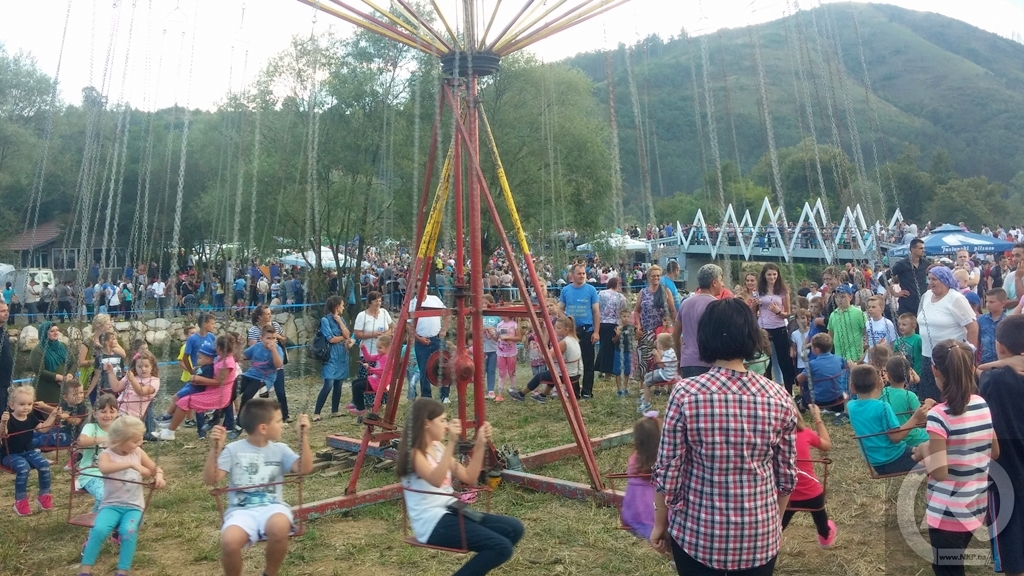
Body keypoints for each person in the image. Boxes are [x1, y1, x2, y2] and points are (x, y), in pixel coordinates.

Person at [651, 298, 798, 575]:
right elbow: (786, 477)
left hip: (698, 535)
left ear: (704, 336)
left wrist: (660, 523)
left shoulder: (685, 394)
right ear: (751, 335)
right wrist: (773, 526)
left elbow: (668, 471)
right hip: (760, 536)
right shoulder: (779, 397)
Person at [396, 398, 523, 575]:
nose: (446, 426)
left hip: (452, 511)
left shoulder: (438, 448)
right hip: (431, 523)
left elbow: (469, 477)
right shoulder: (414, 454)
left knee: (513, 529)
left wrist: (480, 443)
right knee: (501, 547)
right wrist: (451, 444)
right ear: (426, 424)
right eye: (442, 420)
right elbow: (435, 480)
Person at [912, 340, 997, 576]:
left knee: (947, 569)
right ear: (971, 368)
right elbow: (994, 451)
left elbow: (940, 472)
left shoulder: (938, 416)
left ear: (935, 370)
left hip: (947, 513)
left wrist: (924, 450)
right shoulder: (981, 404)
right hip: (976, 505)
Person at [204, 400, 312, 576]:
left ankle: (269, 573)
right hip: (240, 511)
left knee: (279, 526)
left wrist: (303, 436)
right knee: (229, 542)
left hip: (273, 507)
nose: (282, 425)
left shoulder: (281, 450)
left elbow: (304, 468)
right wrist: (215, 449)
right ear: (263, 428)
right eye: (279, 421)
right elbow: (211, 479)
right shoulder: (233, 450)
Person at [78, 415, 165, 576]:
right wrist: (132, 464)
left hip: (133, 507)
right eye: (135, 440)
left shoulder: (138, 452)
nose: (140, 443)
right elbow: (104, 468)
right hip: (111, 505)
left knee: (128, 531)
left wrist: (159, 477)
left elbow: (155, 469)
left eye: (140, 439)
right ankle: (85, 571)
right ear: (119, 441)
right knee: (99, 530)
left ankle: (122, 571)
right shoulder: (106, 455)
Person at [977, 314, 1024, 576]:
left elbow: (978, 371)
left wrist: (1004, 363)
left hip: (1005, 471)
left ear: (1000, 347)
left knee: (1010, 540)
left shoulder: (995, 380)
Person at [847, 365, 931, 475]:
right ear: (879, 383)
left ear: (852, 387)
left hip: (876, 460)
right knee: (934, 458)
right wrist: (915, 418)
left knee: (920, 449)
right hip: (892, 459)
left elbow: (868, 404)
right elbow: (896, 437)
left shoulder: (851, 406)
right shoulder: (883, 407)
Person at [159, 335, 239, 441]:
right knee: (181, 399)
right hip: (212, 390)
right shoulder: (221, 357)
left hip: (219, 395)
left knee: (184, 402)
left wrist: (198, 378)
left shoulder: (227, 363)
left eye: (215, 346)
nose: (214, 348)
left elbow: (219, 382)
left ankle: (170, 432)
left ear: (219, 348)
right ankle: (170, 425)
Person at [917, 266, 979, 402]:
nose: (931, 282)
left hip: (950, 357)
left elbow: (973, 327)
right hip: (927, 356)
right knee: (929, 398)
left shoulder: (956, 298)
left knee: (949, 396)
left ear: (945, 280)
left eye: (934, 279)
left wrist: (969, 354)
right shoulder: (926, 296)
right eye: (929, 279)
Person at [783, 403, 837, 548]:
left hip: (785, 494)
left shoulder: (772, 436)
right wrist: (817, 418)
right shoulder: (805, 433)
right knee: (823, 525)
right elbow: (827, 445)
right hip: (812, 494)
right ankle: (825, 537)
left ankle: (772, 540)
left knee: (778, 525)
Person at [1, 384, 59, 515]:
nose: (26, 407)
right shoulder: (9, 418)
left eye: (29, 404)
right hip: (10, 454)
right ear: (12, 405)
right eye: (22, 404)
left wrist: (53, 415)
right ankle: (20, 501)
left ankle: (44, 496)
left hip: (28, 451)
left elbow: (42, 429)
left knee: (44, 465)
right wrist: (3, 422)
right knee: (23, 468)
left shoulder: (31, 417)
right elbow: (2, 434)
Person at [508, 316, 581, 402]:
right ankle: (542, 395)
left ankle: (521, 394)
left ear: (566, 330)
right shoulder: (574, 339)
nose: (555, 330)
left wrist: (541, 354)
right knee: (552, 374)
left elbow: (547, 358)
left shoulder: (564, 342)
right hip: (575, 373)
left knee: (539, 377)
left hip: (566, 374)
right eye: (555, 328)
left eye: (558, 328)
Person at [673, 264, 724, 380]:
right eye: (721, 280)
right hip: (709, 363)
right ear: (714, 282)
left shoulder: (685, 303)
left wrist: (679, 357)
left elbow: (675, 334)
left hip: (687, 362)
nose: (723, 284)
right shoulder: (716, 306)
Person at [753, 263, 797, 394]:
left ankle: (788, 391)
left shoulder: (783, 291)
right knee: (766, 360)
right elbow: (753, 313)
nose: (772, 277)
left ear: (778, 275)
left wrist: (778, 311)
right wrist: (754, 305)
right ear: (764, 276)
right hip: (763, 328)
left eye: (774, 274)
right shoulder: (759, 291)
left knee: (784, 360)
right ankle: (766, 390)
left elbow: (788, 313)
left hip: (779, 327)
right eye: (769, 275)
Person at [632, 265, 675, 397]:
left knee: (661, 358)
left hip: (661, 331)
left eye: (658, 276)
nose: (656, 278)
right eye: (653, 276)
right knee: (644, 358)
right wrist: (638, 326)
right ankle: (643, 385)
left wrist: (671, 326)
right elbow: (636, 311)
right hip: (646, 330)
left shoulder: (665, 291)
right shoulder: (643, 292)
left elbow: (673, 310)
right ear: (648, 277)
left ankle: (661, 385)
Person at [560, 263, 601, 399]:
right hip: (572, 332)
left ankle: (587, 391)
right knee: (572, 362)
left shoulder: (591, 290)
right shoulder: (565, 290)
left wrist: (596, 332)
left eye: (584, 273)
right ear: (572, 275)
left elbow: (596, 312)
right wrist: (566, 320)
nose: (582, 276)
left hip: (587, 330)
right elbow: (560, 308)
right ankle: (575, 391)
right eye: (579, 273)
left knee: (588, 362)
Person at [246, 305, 289, 420]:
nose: (270, 315)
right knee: (262, 393)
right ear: (260, 317)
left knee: (280, 391)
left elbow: (284, 339)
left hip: (276, 364)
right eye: (267, 314)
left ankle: (285, 415)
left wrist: (277, 336)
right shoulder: (254, 330)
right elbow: (252, 348)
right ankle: (263, 416)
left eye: (270, 313)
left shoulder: (276, 325)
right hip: (262, 368)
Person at [621, 412, 659, 539]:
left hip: (635, 512)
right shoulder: (663, 460)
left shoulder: (634, 459)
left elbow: (631, 473)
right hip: (656, 513)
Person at [76, 394, 118, 511]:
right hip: (91, 473)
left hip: (114, 474)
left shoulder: (118, 429)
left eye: (112, 411)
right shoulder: (91, 427)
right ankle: (96, 519)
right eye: (103, 412)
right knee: (105, 495)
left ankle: (112, 518)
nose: (108, 415)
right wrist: (105, 439)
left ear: (117, 413)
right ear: (95, 414)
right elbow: (81, 441)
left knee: (124, 496)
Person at [316, 296, 353, 420]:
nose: (343, 307)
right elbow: (331, 338)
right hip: (331, 354)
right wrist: (343, 337)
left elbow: (348, 334)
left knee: (339, 383)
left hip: (342, 353)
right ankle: (317, 412)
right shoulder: (325, 320)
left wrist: (340, 322)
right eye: (342, 305)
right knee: (328, 383)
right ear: (337, 306)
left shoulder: (341, 319)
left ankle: (335, 410)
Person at [409, 288, 449, 401]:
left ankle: (444, 395)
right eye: (421, 287)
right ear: (416, 289)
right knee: (424, 369)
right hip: (421, 340)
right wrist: (418, 338)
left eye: (426, 287)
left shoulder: (435, 299)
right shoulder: (411, 304)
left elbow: (446, 313)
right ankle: (426, 396)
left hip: (437, 338)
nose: (424, 289)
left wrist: (444, 330)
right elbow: (408, 325)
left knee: (445, 366)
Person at [881, 356, 930, 447]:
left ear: (888, 375)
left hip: (892, 436)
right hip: (912, 438)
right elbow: (922, 421)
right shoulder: (910, 396)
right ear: (908, 375)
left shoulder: (882, 393)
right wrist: (928, 405)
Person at [797, 334, 851, 413]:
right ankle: (838, 409)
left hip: (818, 400)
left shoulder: (812, 364)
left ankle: (802, 406)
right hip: (837, 397)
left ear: (817, 350)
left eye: (812, 347)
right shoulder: (838, 358)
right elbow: (847, 366)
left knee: (805, 382)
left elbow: (799, 379)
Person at [28, 320, 74, 404]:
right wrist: (59, 377)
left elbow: (74, 363)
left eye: (57, 330)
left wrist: (70, 374)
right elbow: (40, 371)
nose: (56, 333)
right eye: (52, 331)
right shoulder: (37, 350)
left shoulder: (63, 346)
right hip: (46, 389)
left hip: (64, 387)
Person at [33, 379, 87, 449]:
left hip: (72, 435)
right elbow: (56, 410)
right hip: (61, 428)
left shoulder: (82, 407)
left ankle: (29, 444)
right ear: (65, 397)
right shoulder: (64, 405)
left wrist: (67, 418)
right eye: (75, 394)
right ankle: (24, 439)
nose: (79, 396)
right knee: (42, 432)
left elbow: (78, 421)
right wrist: (44, 406)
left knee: (49, 437)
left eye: (81, 393)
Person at [112, 352, 160, 425]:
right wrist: (110, 372)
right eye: (139, 367)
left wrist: (132, 380)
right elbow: (116, 387)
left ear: (152, 367)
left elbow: (141, 392)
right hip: (117, 409)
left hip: (131, 415)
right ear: (135, 367)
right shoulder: (132, 376)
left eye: (146, 366)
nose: (143, 369)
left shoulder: (154, 381)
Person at [888, 238, 932, 316]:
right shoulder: (902, 264)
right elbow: (883, 278)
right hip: (906, 305)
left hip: (923, 304)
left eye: (923, 248)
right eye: (921, 248)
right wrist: (894, 293)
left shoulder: (926, 264)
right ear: (913, 249)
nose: (923, 250)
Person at [595, 277, 628, 378]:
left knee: (603, 347)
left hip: (601, 323)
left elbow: (596, 308)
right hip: (614, 323)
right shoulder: (621, 297)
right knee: (611, 349)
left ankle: (600, 369)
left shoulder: (600, 293)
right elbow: (624, 310)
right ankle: (607, 372)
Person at [827, 284, 867, 364]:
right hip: (838, 357)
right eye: (836, 297)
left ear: (850, 297)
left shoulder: (858, 313)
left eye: (843, 297)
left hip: (855, 357)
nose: (839, 300)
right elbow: (830, 334)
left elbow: (866, 331)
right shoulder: (833, 314)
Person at [639, 333, 677, 414]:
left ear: (662, 346)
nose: (656, 342)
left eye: (658, 342)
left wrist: (656, 355)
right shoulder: (669, 350)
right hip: (664, 372)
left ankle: (646, 404)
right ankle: (645, 396)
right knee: (647, 376)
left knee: (646, 384)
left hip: (666, 375)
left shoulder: (669, 354)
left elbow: (661, 365)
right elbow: (663, 357)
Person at [87, 332, 126, 404]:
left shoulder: (119, 356)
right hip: (105, 389)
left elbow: (123, 372)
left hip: (118, 388)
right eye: (113, 339)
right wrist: (90, 390)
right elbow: (96, 376)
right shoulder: (99, 358)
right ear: (107, 343)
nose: (116, 341)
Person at [494, 313, 521, 402]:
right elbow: (497, 337)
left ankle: (514, 394)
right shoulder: (499, 324)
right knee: (501, 373)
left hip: (511, 353)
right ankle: (500, 394)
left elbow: (519, 338)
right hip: (500, 353)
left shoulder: (514, 324)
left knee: (512, 373)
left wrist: (508, 337)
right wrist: (493, 334)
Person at [979, 288, 1008, 364]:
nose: (988, 305)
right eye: (986, 301)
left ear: (1003, 303)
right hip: (984, 361)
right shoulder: (981, 320)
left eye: (991, 302)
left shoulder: (1008, 321)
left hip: (1003, 362)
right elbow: (978, 341)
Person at [864, 295, 898, 360]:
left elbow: (893, 342)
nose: (870, 309)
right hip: (870, 356)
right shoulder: (868, 323)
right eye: (869, 307)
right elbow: (868, 342)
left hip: (883, 356)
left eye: (873, 307)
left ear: (882, 308)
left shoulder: (888, 323)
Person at [613, 310, 636, 396]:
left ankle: (625, 388)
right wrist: (617, 335)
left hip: (628, 352)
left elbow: (636, 337)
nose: (626, 318)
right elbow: (613, 341)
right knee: (618, 370)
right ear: (620, 317)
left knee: (627, 370)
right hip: (618, 351)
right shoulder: (617, 328)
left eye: (628, 317)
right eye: (624, 316)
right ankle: (619, 389)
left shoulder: (632, 328)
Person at [0, 302, 14, 410]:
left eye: (7, 310)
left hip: (6, 381)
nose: (6, 313)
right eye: (2, 311)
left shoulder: (3, 331)